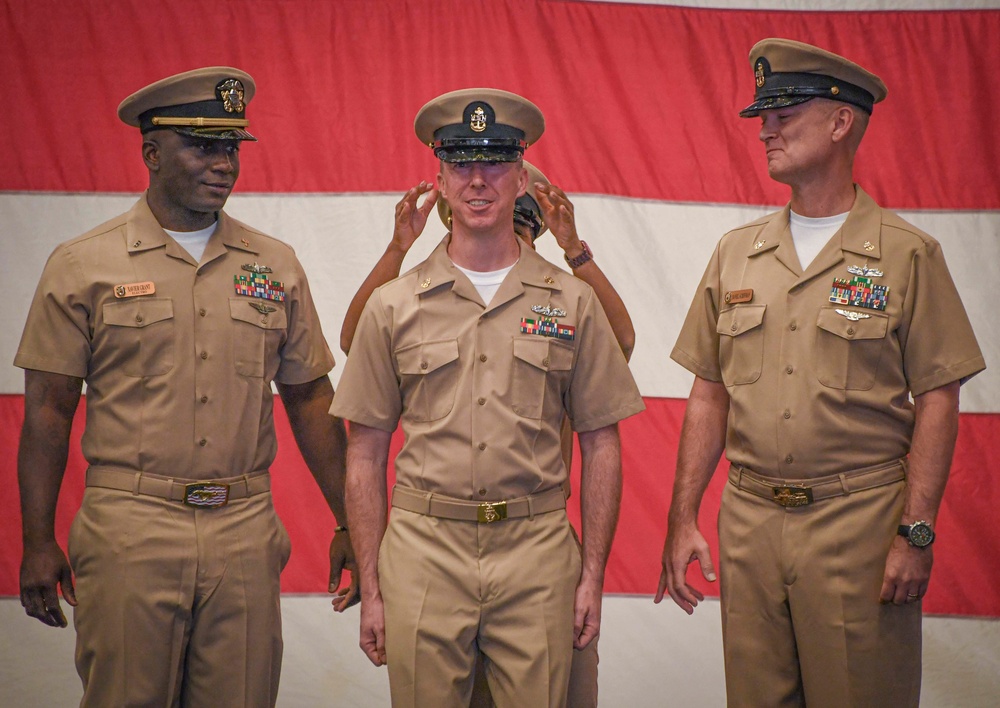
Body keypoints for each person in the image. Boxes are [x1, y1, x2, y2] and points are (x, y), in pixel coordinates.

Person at [655, 38, 985, 707]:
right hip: (748, 526)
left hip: (858, 525)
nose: (766, 129)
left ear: (841, 123)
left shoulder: (906, 255)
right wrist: (682, 515)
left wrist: (915, 533)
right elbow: (708, 393)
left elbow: (939, 398)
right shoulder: (736, 255)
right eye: (763, 115)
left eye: (784, 112)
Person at [15, 67, 355, 707]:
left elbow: (310, 398)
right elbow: (48, 412)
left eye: (231, 148)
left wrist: (350, 523)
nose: (223, 163)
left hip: (244, 530)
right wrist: (36, 541)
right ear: (151, 152)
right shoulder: (83, 264)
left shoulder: (273, 264)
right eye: (203, 146)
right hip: (130, 529)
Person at [332, 88, 644, 707]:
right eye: (461, 163)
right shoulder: (393, 306)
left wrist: (592, 577)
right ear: (440, 180)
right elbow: (363, 454)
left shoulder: (571, 301)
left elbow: (602, 445)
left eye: (496, 161)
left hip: (536, 552)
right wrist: (372, 586)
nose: (479, 179)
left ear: (521, 176)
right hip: (425, 552)